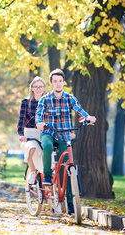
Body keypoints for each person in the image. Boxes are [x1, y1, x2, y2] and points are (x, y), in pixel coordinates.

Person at [36, 68, 96, 214]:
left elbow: (79, 110)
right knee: (48, 147)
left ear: (64, 83)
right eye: (55, 81)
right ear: (51, 84)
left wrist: (87, 118)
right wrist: (39, 122)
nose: (58, 84)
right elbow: (39, 114)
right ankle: (48, 175)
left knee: (67, 166)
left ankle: (70, 202)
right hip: (49, 132)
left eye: (60, 81)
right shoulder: (45, 99)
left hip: (64, 135)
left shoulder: (70, 98)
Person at [17, 76, 46, 185]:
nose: (38, 89)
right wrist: (20, 134)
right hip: (30, 134)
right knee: (31, 147)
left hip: (44, 133)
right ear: (32, 88)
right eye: (36, 86)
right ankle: (32, 171)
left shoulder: (48, 102)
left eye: (41, 86)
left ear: (44, 88)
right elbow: (21, 120)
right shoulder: (26, 102)